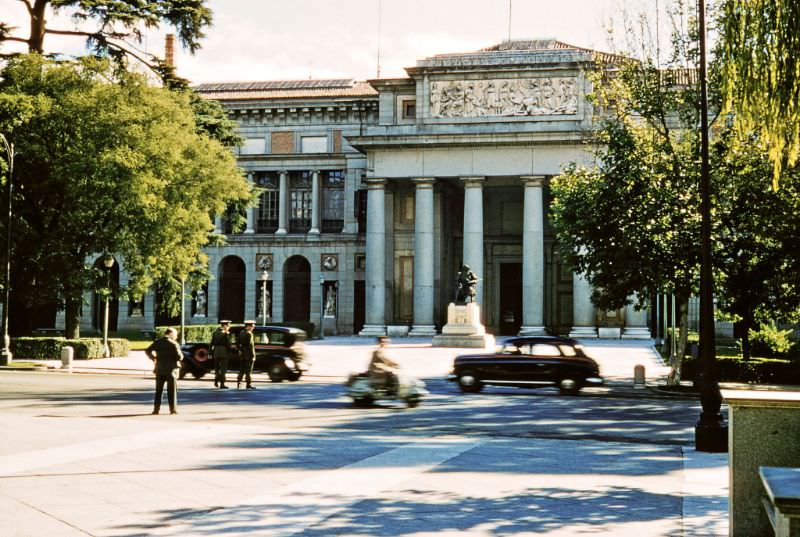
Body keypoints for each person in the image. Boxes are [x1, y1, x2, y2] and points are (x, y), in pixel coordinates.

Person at [145, 327, 183, 415]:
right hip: (171, 370)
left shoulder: (158, 342)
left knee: (158, 391)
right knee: (172, 391)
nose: (176, 336)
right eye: (175, 334)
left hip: (159, 369)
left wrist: (153, 358)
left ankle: (156, 409)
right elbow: (179, 357)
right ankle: (173, 409)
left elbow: (147, 350)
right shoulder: (174, 344)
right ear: (171, 334)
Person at [210, 320, 231, 389]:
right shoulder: (225, 333)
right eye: (228, 325)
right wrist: (229, 352)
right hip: (224, 352)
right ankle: (222, 383)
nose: (229, 327)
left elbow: (211, 343)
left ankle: (216, 380)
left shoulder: (215, 332)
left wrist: (210, 352)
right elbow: (228, 344)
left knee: (217, 368)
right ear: (224, 326)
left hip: (216, 352)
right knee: (223, 369)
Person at [237, 320, 257, 389]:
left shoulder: (241, 333)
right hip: (248, 355)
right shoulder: (249, 334)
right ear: (248, 326)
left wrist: (240, 351)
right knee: (248, 370)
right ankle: (248, 384)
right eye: (252, 326)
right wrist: (253, 356)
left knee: (242, 369)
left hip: (242, 354)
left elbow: (238, 344)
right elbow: (251, 346)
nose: (253, 328)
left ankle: (239, 382)